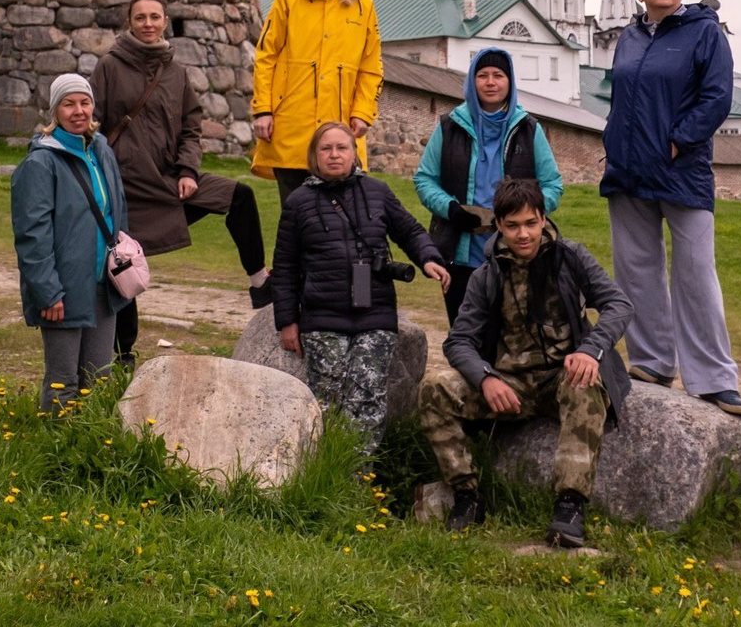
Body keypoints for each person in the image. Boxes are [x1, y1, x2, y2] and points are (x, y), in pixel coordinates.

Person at [418, 178, 632, 549]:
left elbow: (619, 304)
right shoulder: (486, 275)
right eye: (513, 225)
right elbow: (459, 340)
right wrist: (485, 378)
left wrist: (590, 349)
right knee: (433, 388)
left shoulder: (571, 257)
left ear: (543, 219)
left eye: (531, 223)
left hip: (562, 377)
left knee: (585, 383)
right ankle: (467, 496)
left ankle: (569, 506)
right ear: (498, 225)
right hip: (510, 386)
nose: (523, 234)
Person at [91, 0, 271, 368]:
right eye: (140, 17)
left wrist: (189, 170)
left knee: (239, 196)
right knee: (123, 262)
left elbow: (191, 125)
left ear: (165, 21)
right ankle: (124, 355)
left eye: (154, 16)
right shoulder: (109, 66)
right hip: (127, 186)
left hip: (171, 179)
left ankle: (260, 282)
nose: (148, 23)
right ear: (130, 22)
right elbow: (94, 125)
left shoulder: (175, 71)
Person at [600, 0, 741, 414]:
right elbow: (621, 98)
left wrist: (680, 141)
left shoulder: (705, 32)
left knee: (696, 273)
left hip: (682, 168)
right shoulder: (628, 37)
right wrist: (614, 141)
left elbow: (717, 97)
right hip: (628, 169)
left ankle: (714, 378)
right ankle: (652, 362)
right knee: (635, 270)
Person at [271, 121, 450, 451]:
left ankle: (360, 471)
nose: (334, 154)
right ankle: (325, 468)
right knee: (326, 401)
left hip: (375, 314)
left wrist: (428, 258)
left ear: (354, 153)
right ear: (314, 156)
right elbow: (285, 266)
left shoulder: (377, 192)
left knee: (368, 398)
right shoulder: (298, 202)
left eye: (342, 148)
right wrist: (287, 321)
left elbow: (410, 231)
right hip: (322, 318)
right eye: (326, 149)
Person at [414, 47, 563, 324]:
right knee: (465, 332)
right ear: (472, 81)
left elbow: (552, 185)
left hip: (516, 253)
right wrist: (451, 209)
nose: (490, 82)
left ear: (510, 82)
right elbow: (424, 179)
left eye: (498, 75)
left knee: (513, 334)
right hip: (460, 252)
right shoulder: (449, 126)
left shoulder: (529, 128)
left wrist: (524, 214)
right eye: (482, 75)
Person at [10, 73, 129, 411]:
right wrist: (47, 292)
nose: (78, 111)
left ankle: (92, 442)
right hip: (63, 289)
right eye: (68, 104)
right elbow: (32, 236)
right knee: (64, 382)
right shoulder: (40, 163)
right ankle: (55, 442)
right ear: (55, 111)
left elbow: (117, 210)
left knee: (99, 379)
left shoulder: (101, 150)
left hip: (104, 285)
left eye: (84, 102)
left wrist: (122, 264)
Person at [252, 0, 383, 203]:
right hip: (291, 127)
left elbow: (371, 67)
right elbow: (265, 56)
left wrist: (363, 113)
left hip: (341, 129)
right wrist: (262, 110)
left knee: (344, 217)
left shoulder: (363, 4)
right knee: (294, 214)